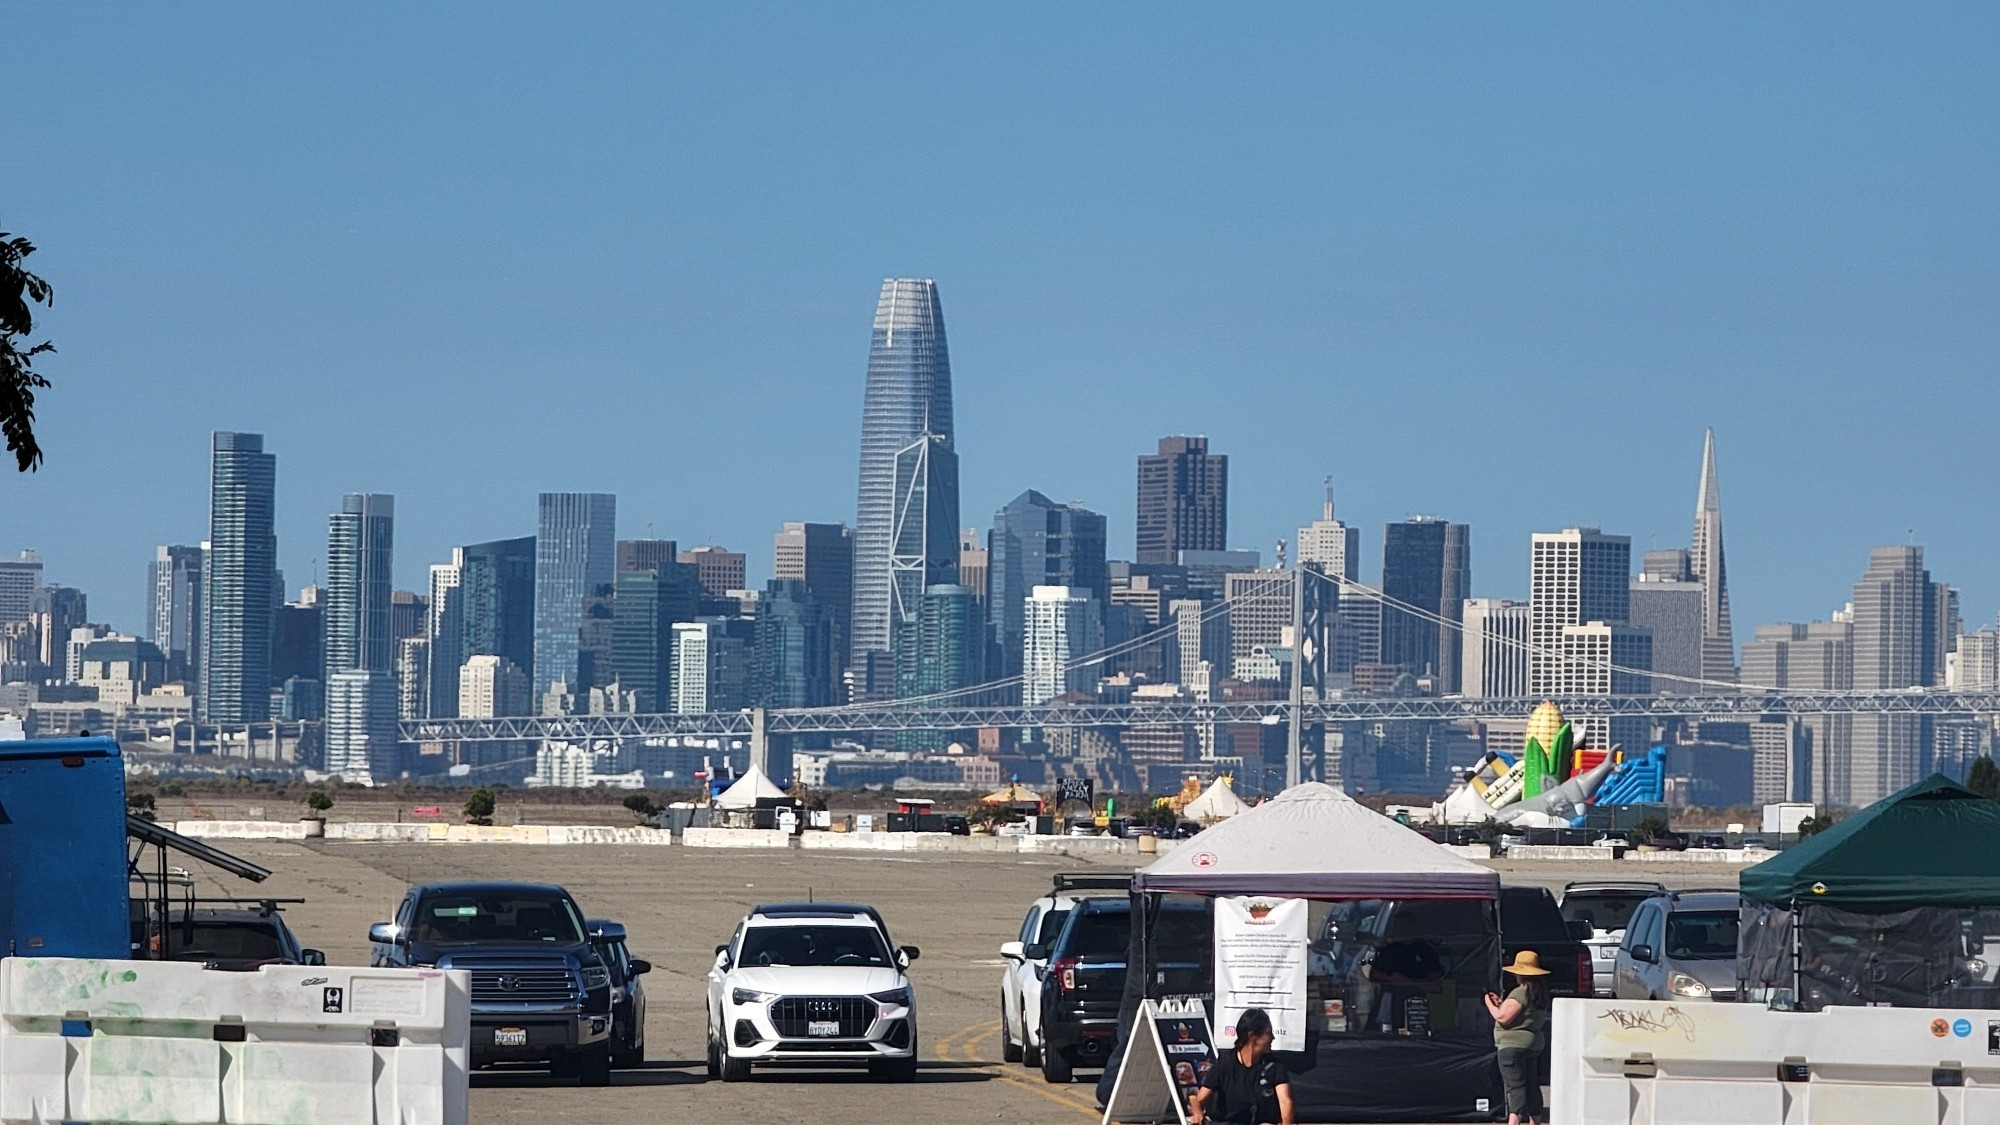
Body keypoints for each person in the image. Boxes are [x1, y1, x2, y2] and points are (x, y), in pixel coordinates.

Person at [1188, 1008, 1293, 1125]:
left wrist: (1286, 1122)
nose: (1273, 1038)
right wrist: (1197, 1112)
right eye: (1268, 1033)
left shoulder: (1275, 1064)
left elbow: (1285, 1101)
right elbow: (1198, 1100)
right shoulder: (1225, 1063)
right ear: (1252, 1036)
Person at [1484, 950, 1551, 1125]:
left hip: (1512, 1046)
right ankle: (1535, 1120)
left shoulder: (1520, 992)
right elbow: (1519, 1012)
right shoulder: (1539, 994)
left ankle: (1514, 1120)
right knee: (1531, 1085)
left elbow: (1503, 1018)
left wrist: (1489, 1004)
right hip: (1533, 1045)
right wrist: (1503, 1004)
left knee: (1515, 1086)